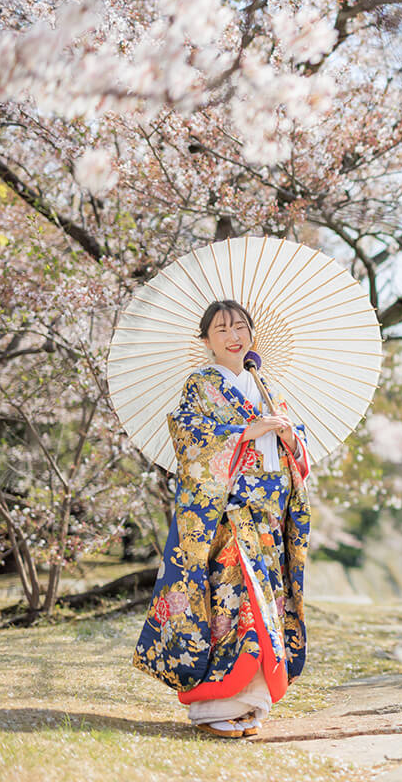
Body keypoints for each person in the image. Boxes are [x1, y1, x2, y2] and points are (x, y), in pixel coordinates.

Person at [132, 299, 312, 738]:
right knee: (235, 603)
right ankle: (213, 708)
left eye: (241, 328)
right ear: (207, 342)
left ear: (252, 335)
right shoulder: (201, 385)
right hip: (228, 515)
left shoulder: (266, 385)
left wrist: (289, 435)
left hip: (268, 518)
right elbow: (190, 440)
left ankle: (249, 706)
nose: (234, 337)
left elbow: (299, 456)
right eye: (222, 330)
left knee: (263, 606)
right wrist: (245, 433)